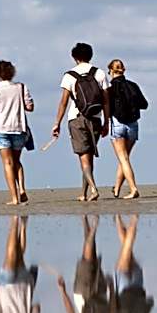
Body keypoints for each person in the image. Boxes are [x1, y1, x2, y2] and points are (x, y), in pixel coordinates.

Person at [51, 42, 111, 201]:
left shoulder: (69, 75)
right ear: (90, 55)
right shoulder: (100, 73)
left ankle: (93, 189)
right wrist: (107, 121)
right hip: (96, 119)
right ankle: (84, 194)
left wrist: (57, 123)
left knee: (84, 158)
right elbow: (106, 101)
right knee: (89, 156)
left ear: (75, 57)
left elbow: (63, 102)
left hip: (76, 119)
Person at [56, 215, 114, 313]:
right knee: (86, 260)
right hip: (82, 295)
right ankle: (91, 229)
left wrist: (112, 290)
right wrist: (63, 291)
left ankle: (86, 225)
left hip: (101, 292)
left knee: (91, 260)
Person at [0, 60, 35, 205]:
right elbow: (30, 107)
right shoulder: (21, 87)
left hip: (1, 127)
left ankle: (14, 198)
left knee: (7, 163)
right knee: (17, 161)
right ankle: (21, 189)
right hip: (18, 127)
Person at [0, 215, 40, 313]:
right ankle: (14, 223)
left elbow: (37, 309)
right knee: (10, 255)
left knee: (20, 254)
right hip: (6, 288)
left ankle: (23, 226)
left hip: (23, 285)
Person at [111, 214, 154, 313]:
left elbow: (150, 302)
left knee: (126, 247)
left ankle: (117, 218)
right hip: (122, 285)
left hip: (137, 282)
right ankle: (134, 219)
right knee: (127, 247)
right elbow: (112, 301)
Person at [107, 59, 148, 199]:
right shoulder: (133, 86)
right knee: (124, 158)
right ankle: (117, 189)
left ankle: (133, 188)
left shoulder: (109, 87)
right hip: (133, 124)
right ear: (123, 69)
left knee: (123, 158)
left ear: (110, 71)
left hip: (117, 123)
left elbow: (106, 108)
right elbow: (144, 104)